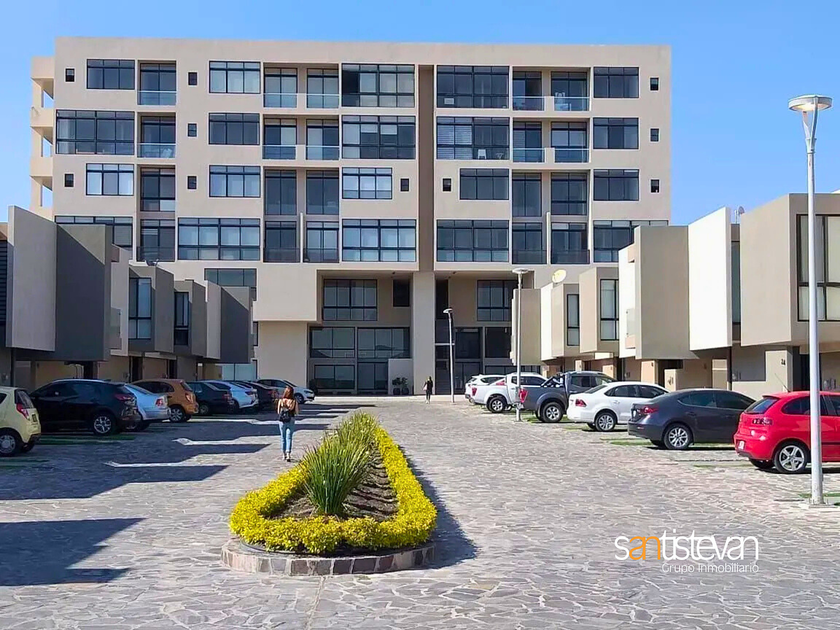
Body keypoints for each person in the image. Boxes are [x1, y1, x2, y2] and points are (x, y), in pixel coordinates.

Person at [276, 386, 299, 462]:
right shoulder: (294, 401)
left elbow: (278, 412)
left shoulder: (281, 401)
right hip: (291, 419)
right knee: (289, 437)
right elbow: (297, 412)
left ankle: (284, 454)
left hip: (282, 421)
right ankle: (288, 454)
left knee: (283, 438)